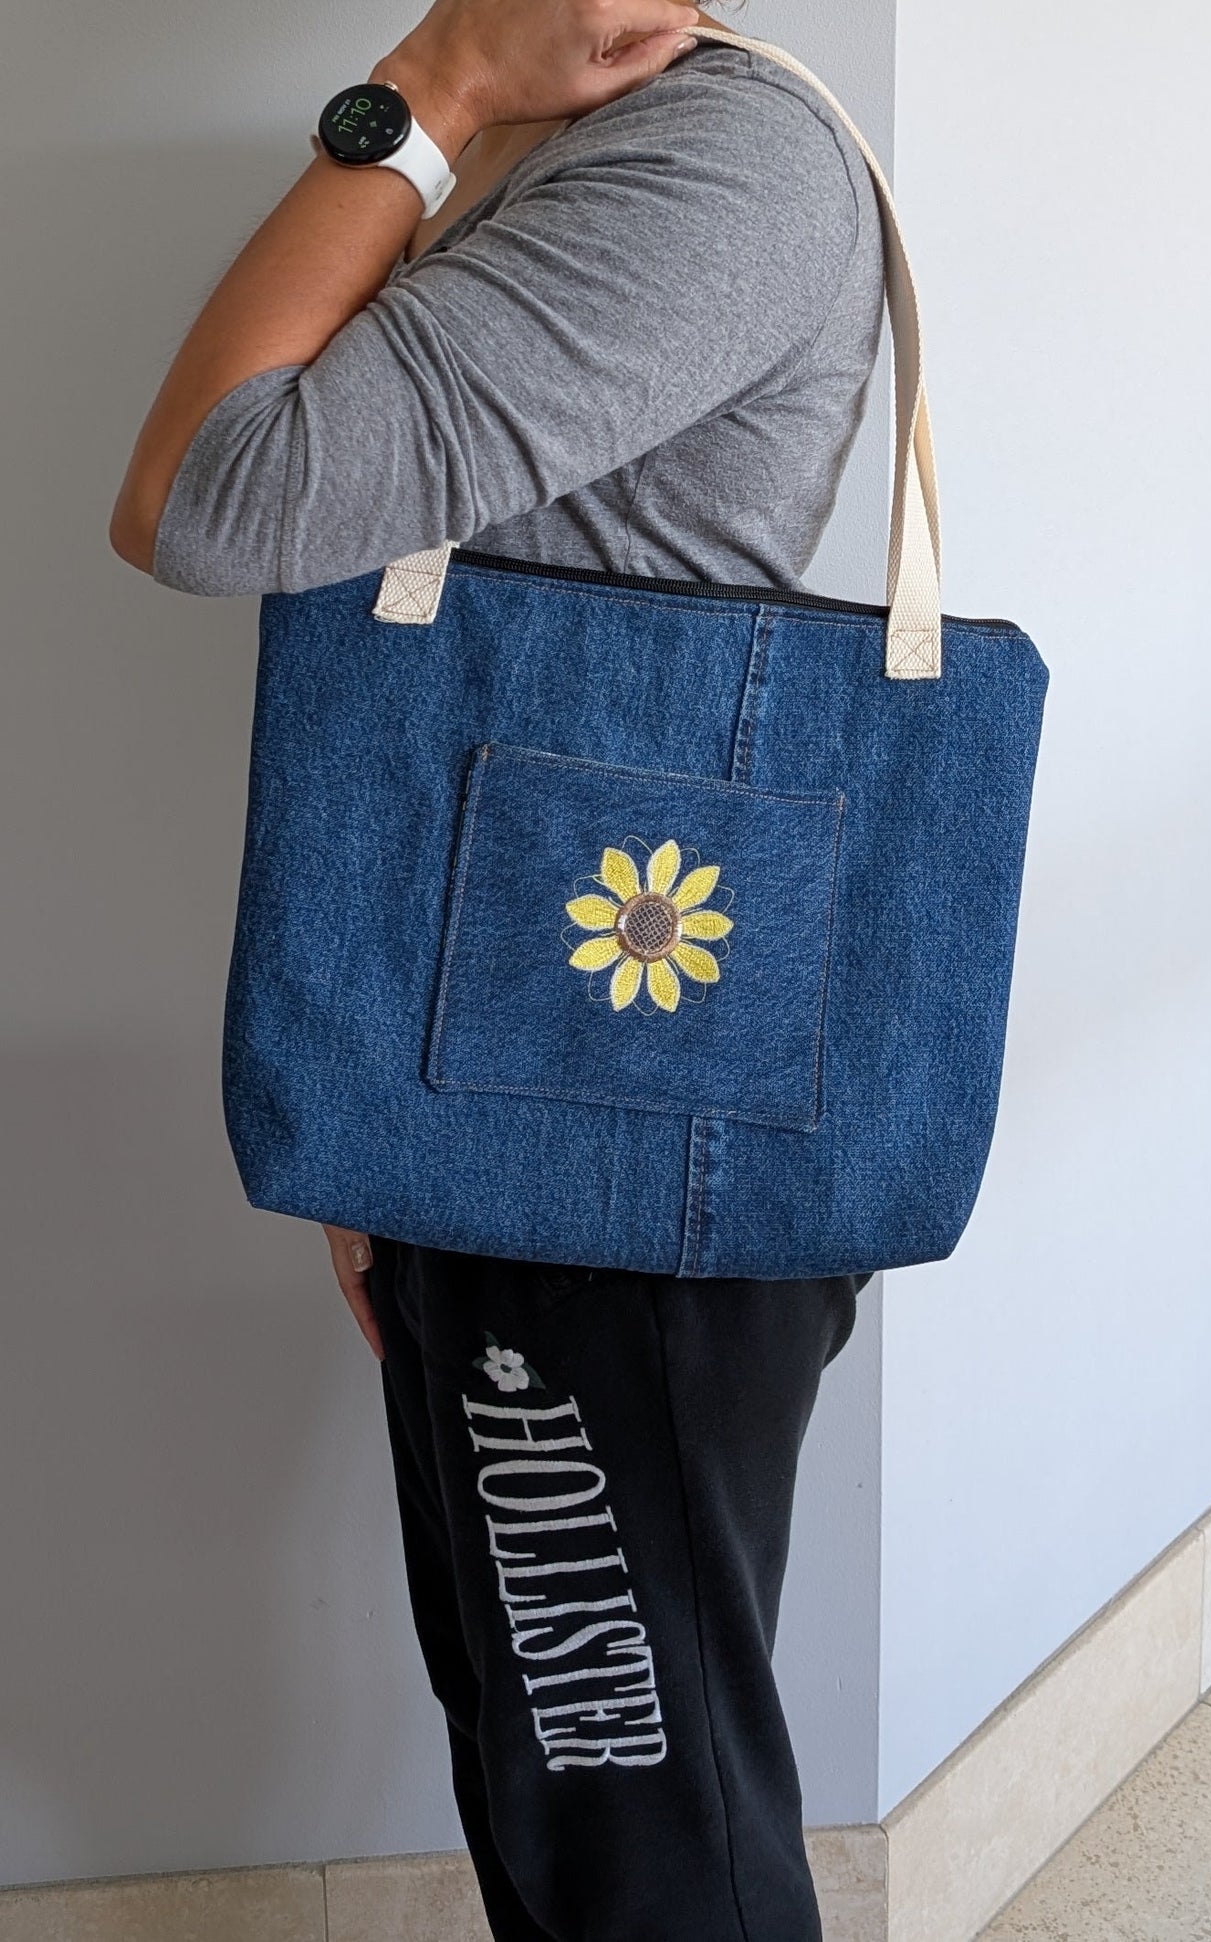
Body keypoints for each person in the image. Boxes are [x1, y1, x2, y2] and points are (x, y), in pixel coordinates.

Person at [111, 2, 886, 1936]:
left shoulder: (721, 158)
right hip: (526, 1075)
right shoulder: (616, 140)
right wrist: (391, 1119)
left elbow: (203, 493)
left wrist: (439, 85)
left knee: (646, 1848)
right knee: (564, 1795)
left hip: (600, 1131)